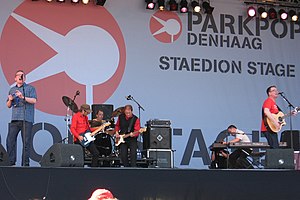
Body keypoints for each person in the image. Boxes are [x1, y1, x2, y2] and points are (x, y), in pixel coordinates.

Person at [6, 70, 37, 166]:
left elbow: (34, 100)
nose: (20, 77)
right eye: (18, 75)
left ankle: (25, 163)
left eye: (22, 75)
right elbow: (8, 105)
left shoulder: (30, 88)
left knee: (26, 143)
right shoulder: (12, 89)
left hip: (26, 119)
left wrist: (22, 97)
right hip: (14, 119)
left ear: (25, 78)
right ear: (15, 78)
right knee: (10, 141)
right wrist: (10, 100)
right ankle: (11, 161)